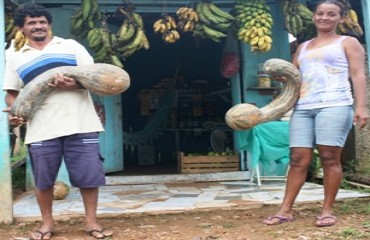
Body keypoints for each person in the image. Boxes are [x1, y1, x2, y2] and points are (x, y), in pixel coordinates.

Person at [2, 4, 113, 239]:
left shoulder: (71, 47)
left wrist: (74, 83)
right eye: (31, 23)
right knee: (44, 180)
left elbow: (96, 78)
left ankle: (92, 223)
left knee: (88, 177)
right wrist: (16, 110)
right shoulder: (15, 57)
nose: (38, 26)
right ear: (22, 28)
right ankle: (47, 225)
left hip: (81, 123)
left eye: (42, 21)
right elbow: (12, 93)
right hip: (41, 127)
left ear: (48, 24)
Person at [263, 0, 369, 227]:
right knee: (298, 159)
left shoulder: (348, 42)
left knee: (330, 158)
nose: (324, 17)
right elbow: (294, 76)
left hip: (335, 104)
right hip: (303, 107)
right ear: (314, 16)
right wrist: (280, 77)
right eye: (320, 13)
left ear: (341, 18)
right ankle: (285, 209)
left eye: (331, 14)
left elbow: (358, 75)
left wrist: (362, 107)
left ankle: (327, 210)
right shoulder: (303, 46)